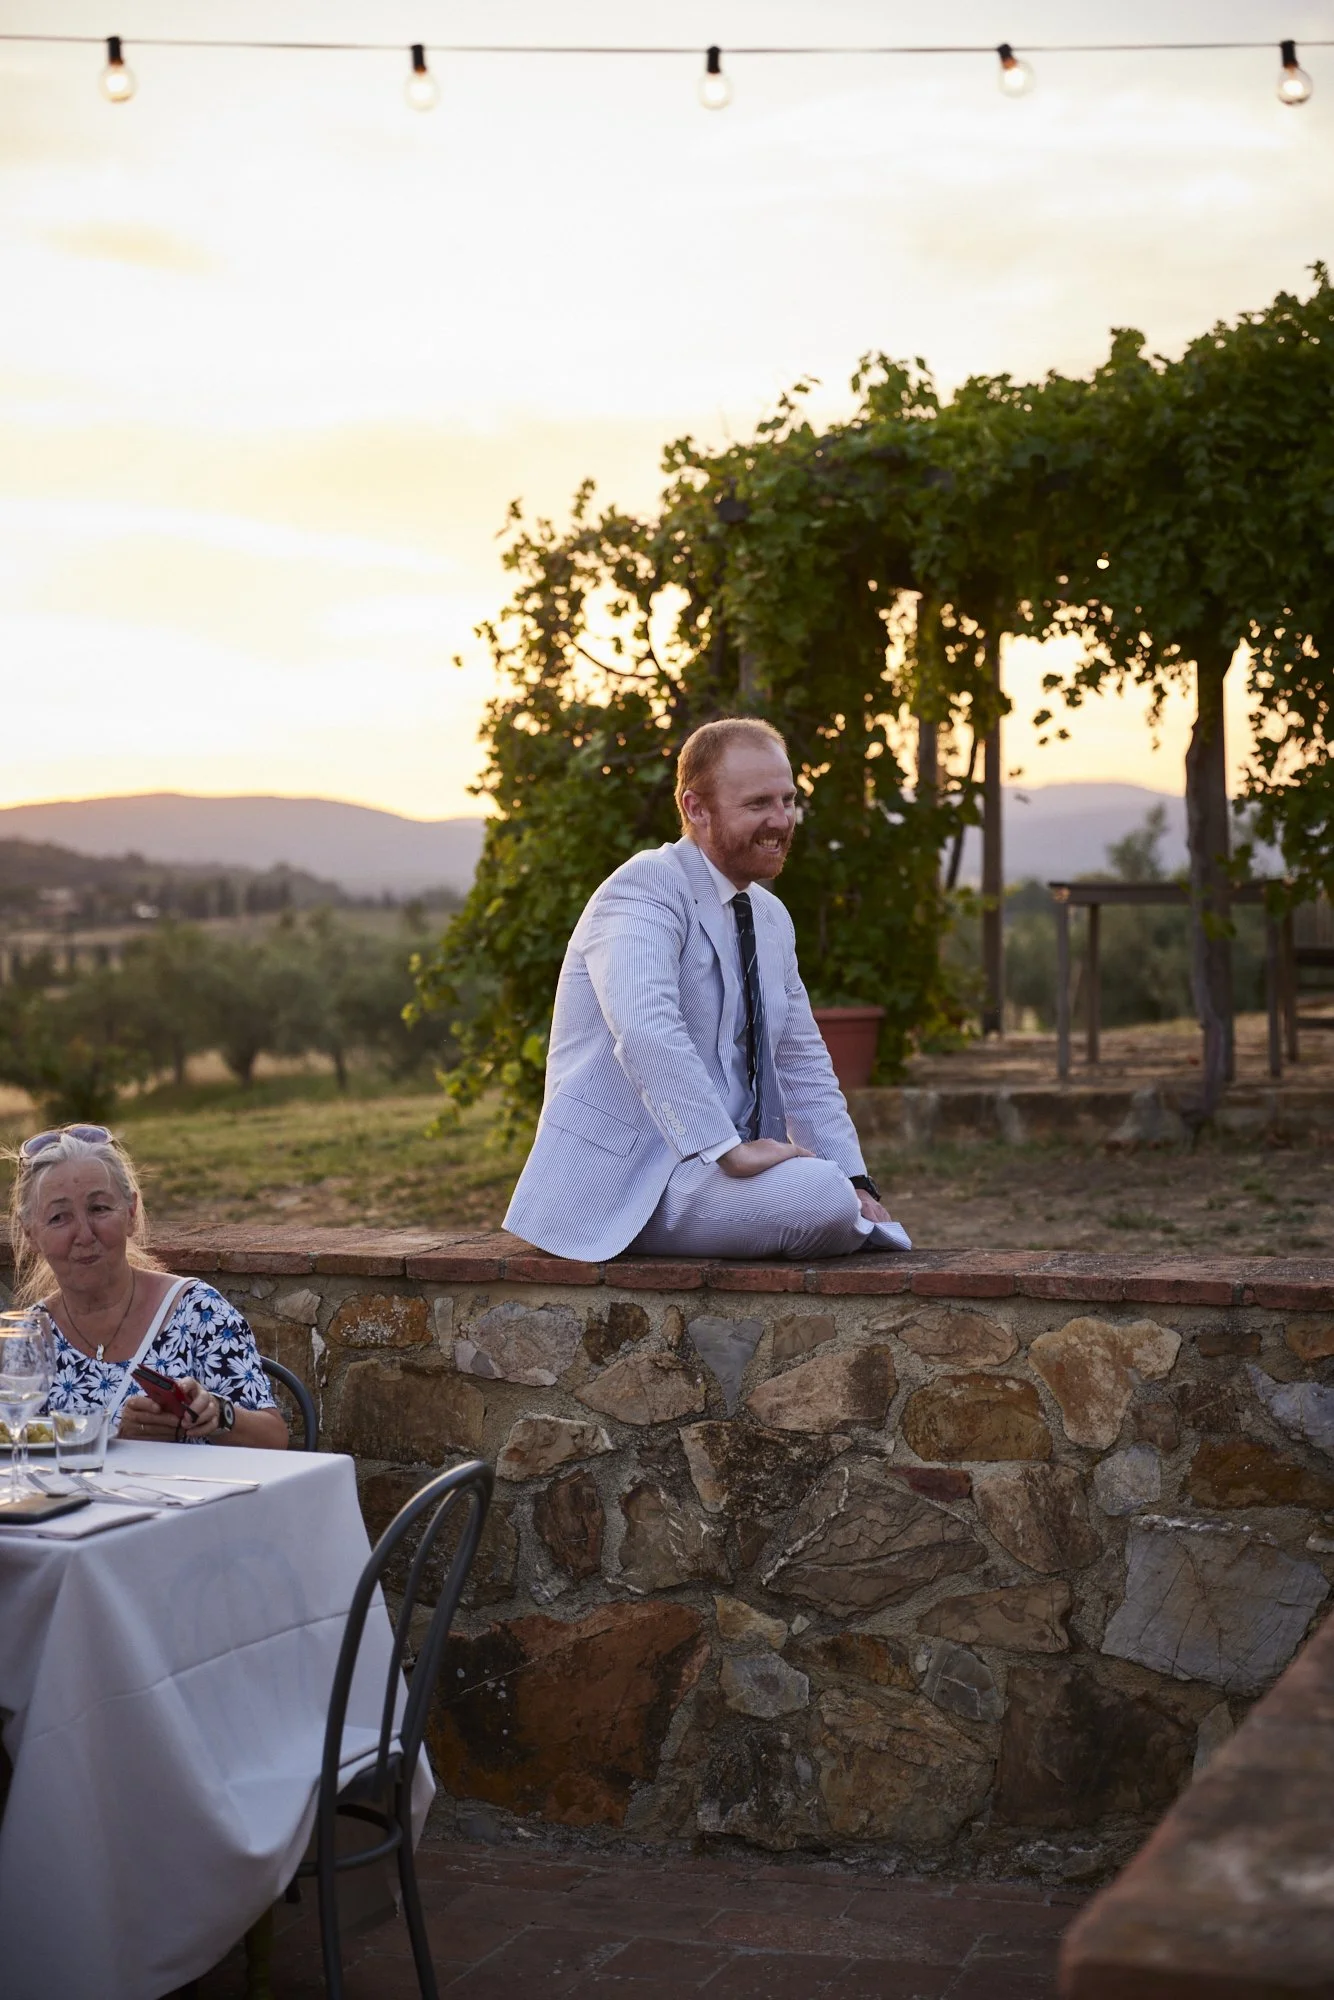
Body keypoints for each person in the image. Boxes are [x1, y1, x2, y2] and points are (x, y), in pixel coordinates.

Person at [505, 716, 912, 1263]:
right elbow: (646, 1030)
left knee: (836, 1191)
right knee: (819, 1195)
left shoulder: (769, 917)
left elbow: (803, 1064)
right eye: (757, 804)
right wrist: (728, 1151)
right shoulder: (643, 891)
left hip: (713, 1178)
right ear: (696, 809)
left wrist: (859, 1179)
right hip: (629, 1182)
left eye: (788, 800)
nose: (781, 820)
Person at [7, 1125, 288, 1448]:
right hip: (63, 1501)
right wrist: (119, 1440)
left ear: (131, 1213)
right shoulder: (25, 1341)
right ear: (30, 1235)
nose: (84, 1235)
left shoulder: (198, 1312)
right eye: (59, 1218)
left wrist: (217, 1413)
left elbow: (275, 1440)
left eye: (99, 1209)